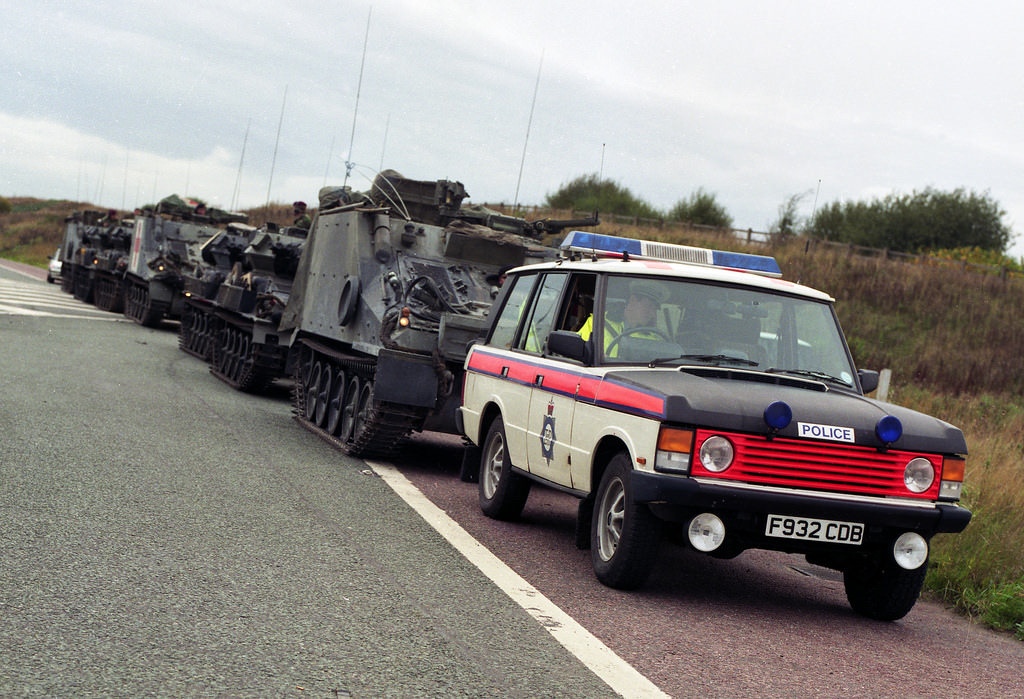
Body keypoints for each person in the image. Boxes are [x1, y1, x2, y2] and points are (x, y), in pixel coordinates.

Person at [577, 279, 667, 358]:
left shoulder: (656, 339)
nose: (652, 314)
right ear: (633, 301)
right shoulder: (598, 323)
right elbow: (578, 354)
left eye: (655, 309)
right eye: (649, 306)